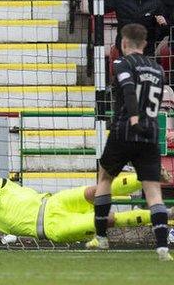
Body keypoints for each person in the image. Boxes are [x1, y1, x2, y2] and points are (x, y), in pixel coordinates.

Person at [0, 172, 173, 245]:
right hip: (53, 228)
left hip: (54, 202)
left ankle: (146, 175)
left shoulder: (2, 185)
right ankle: (165, 214)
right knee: (107, 220)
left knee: (95, 190)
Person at [89, 23, 171, 261]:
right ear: (145, 44)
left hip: (125, 129)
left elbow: (127, 90)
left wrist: (134, 116)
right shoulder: (158, 69)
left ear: (123, 43)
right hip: (150, 133)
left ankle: (102, 238)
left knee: (104, 177)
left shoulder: (122, 64)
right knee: (153, 191)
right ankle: (162, 247)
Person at [90, 0, 169, 57]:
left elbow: (164, 30)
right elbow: (97, 9)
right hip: (125, 49)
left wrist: (164, 24)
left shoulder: (157, 3)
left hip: (146, 50)